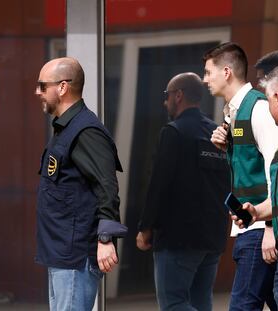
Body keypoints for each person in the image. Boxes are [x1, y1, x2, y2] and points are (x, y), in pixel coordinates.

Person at [34, 57, 127, 311]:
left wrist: (106, 238)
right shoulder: (66, 128)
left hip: (75, 255)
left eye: (43, 86)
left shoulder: (86, 130)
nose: (37, 92)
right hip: (61, 253)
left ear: (62, 87)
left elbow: (107, 185)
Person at [136, 72, 230, 311]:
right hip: (212, 237)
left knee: (174, 303)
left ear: (178, 96)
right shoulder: (216, 133)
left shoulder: (174, 132)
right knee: (200, 302)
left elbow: (159, 185)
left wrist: (145, 228)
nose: (164, 101)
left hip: (179, 239)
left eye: (166, 95)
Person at [206, 42, 278, 311]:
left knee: (243, 305)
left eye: (208, 72)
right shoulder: (235, 113)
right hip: (254, 224)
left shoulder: (258, 108)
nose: (205, 80)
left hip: (261, 228)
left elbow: (275, 167)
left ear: (226, 72)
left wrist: (270, 227)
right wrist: (228, 147)